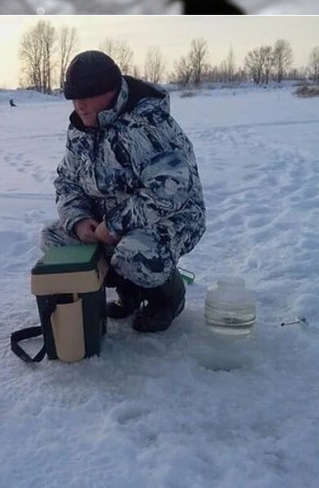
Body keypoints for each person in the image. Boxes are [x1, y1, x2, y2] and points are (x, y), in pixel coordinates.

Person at [43, 50, 206, 333]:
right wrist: (79, 219)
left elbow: (171, 190)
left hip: (172, 218)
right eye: (73, 96)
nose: (78, 105)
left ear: (111, 91)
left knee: (135, 254)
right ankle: (130, 293)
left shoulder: (148, 124)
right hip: (107, 222)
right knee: (55, 240)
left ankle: (168, 298)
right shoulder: (80, 130)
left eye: (87, 96)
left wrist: (117, 224)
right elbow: (67, 180)